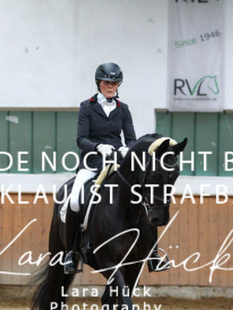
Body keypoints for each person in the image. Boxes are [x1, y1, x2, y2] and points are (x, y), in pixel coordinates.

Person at [62, 62, 167, 275]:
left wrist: (127, 149)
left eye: (114, 83)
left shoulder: (123, 109)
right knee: (74, 200)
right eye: (107, 83)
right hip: (92, 162)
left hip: (118, 163)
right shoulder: (87, 107)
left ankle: (153, 255)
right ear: (98, 83)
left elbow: (131, 139)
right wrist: (98, 147)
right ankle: (71, 253)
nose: (110, 86)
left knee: (145, 198)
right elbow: (81, 139)